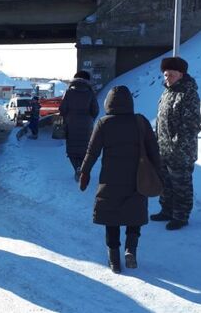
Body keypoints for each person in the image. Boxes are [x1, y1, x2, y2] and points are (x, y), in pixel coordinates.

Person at [78, 85, 161, 274]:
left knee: (112, 217)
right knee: (134, 215)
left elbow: (92, 152)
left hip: (110, 178)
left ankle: (114, 259)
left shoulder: (103, 123)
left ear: (108, 103)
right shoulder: (140, 122)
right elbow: (153, 150)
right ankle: (131, 249)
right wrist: (159, 171)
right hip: (136, 178)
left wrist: (85, 172)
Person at [150, 56, 201, 231]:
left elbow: (192, 124)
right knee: (165, 183)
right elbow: (161, 121)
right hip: (164, 149)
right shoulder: (167, 92)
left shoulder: (188, 93)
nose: (167, 78)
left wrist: (177, 145)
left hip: (181, 151)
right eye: (165, 75)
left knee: (181, 185)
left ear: (181, 74)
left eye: (171, 75)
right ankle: (167, 210)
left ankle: (181, 216)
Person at [59, 70, 99, 181]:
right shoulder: (90, 93)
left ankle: (76, 167)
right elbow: (95, 110)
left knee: (72, 149)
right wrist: (90, 119)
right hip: (86, 126)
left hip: (71, 125)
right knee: (85, 149)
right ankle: (82, 168)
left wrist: (67, 116)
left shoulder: (68, 92)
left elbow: (62, 109)